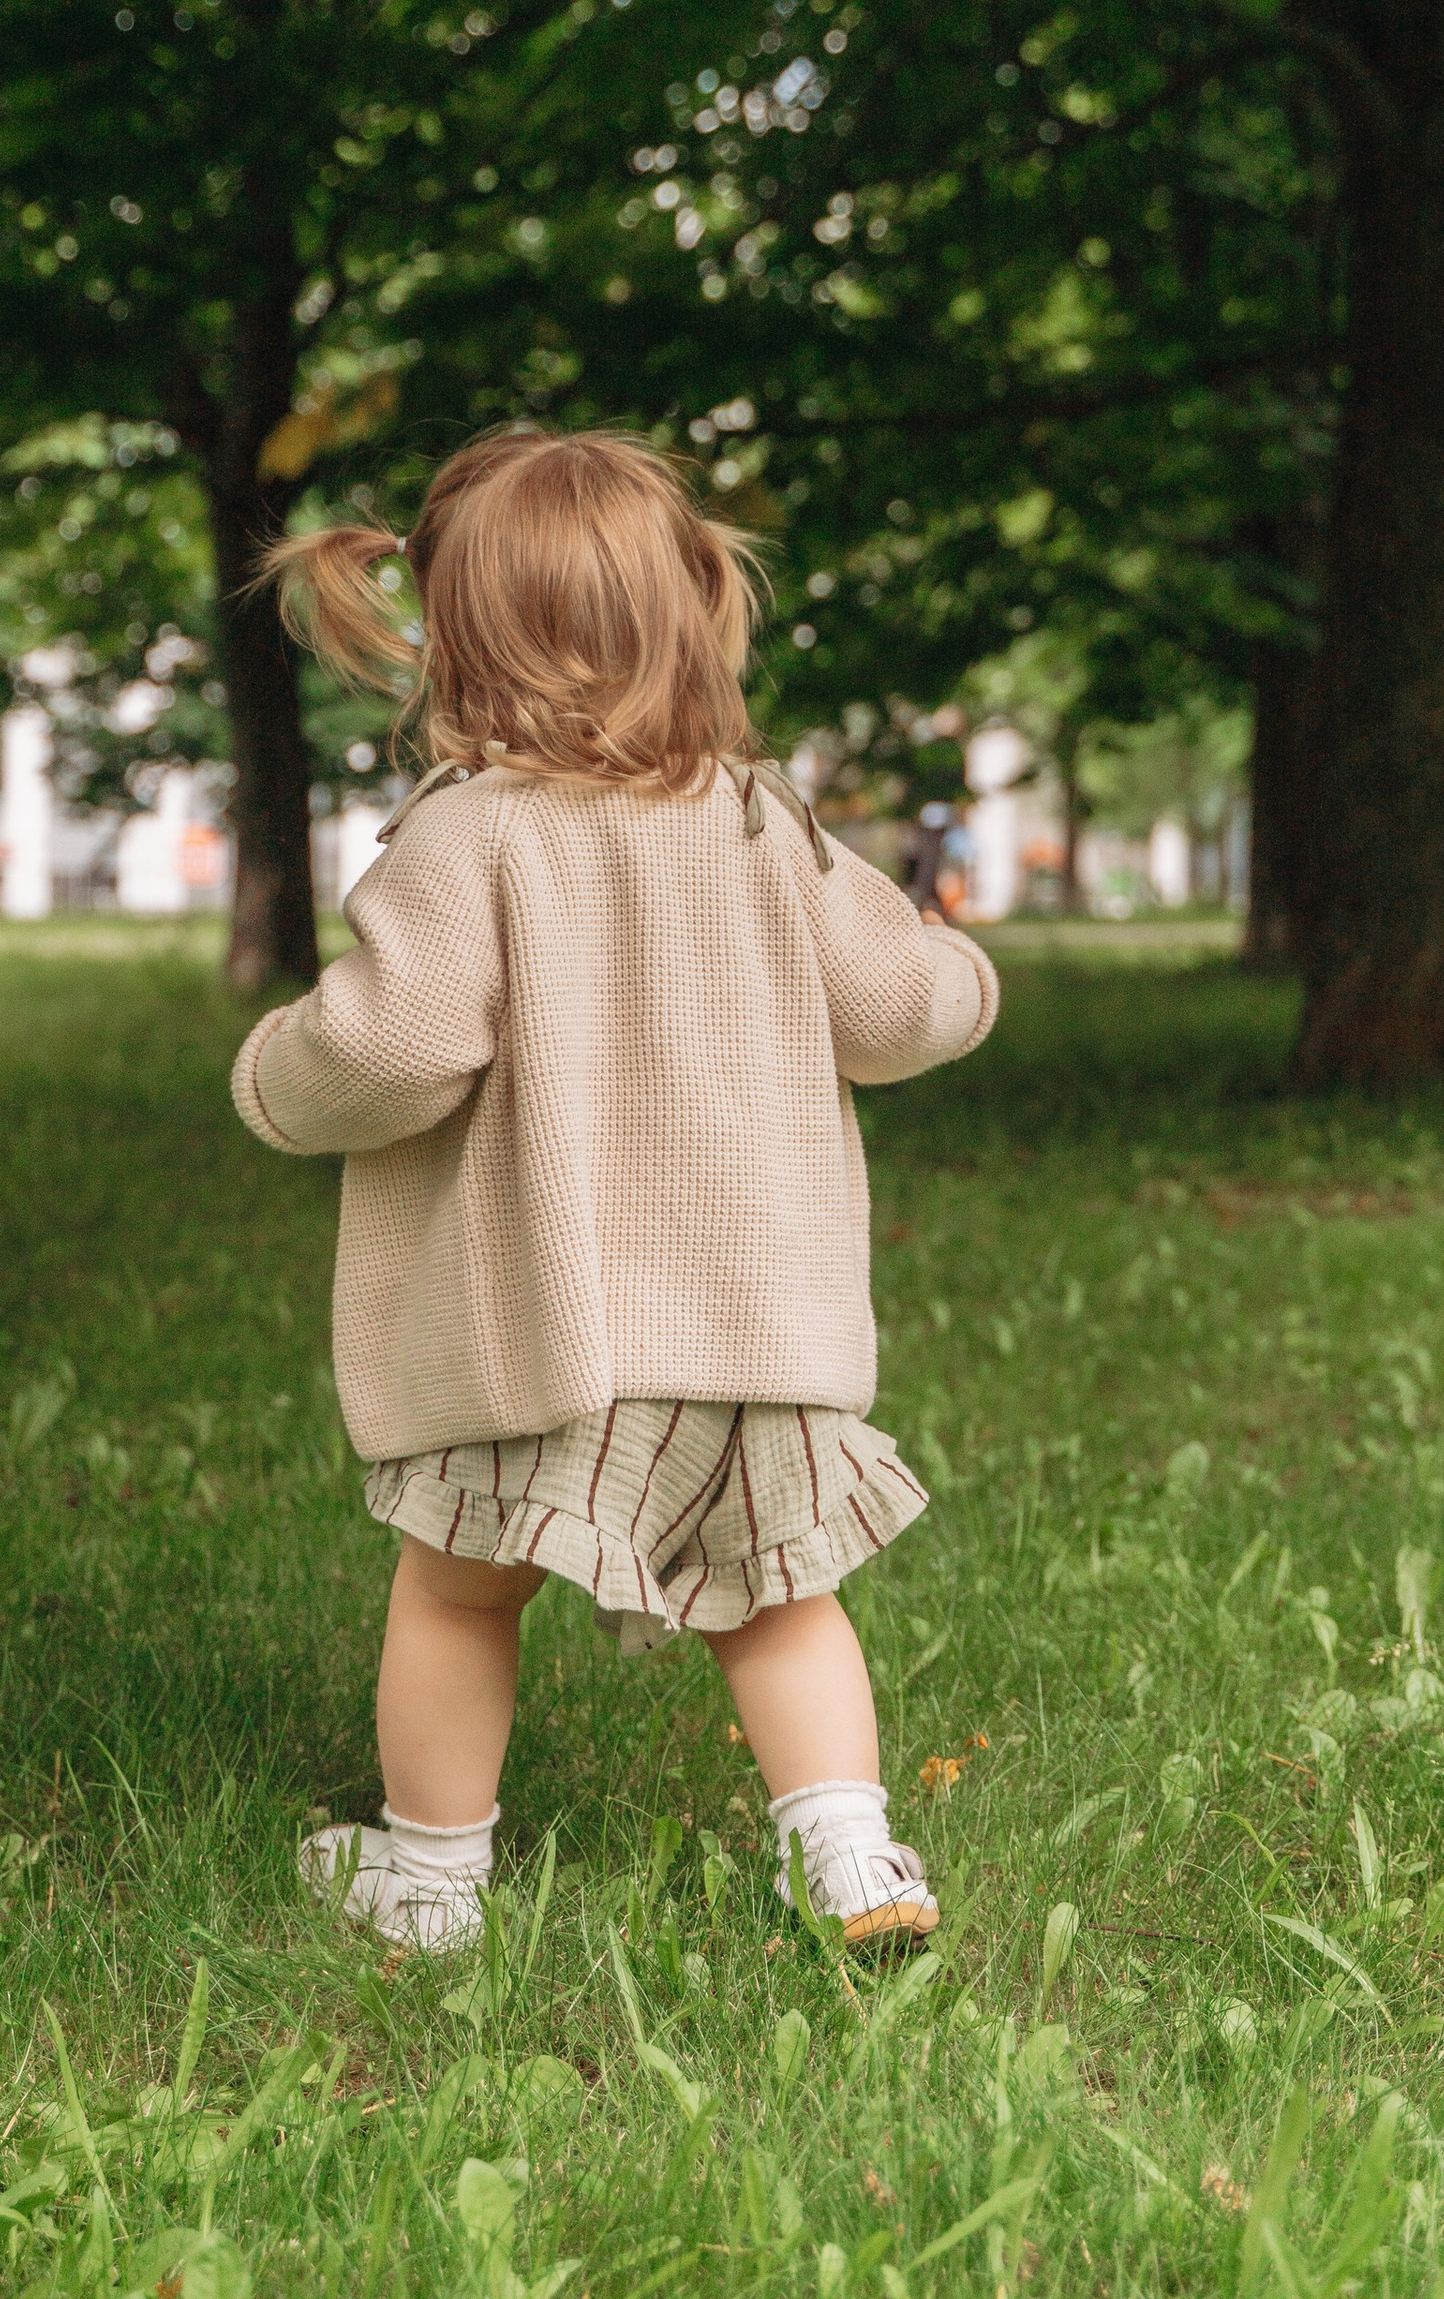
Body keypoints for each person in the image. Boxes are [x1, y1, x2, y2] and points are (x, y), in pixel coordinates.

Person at [232, 429, 999, 1959]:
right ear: (693, 614)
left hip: (547, 1338)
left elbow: (395, 1041)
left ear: (455, 636)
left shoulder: (473, 832)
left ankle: (430, 1878)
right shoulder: (759, 821)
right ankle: (852, 1857)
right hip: (755, 1341)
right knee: (779, 1602)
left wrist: (274, 1073)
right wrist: (963, 970)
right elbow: (902, 1003)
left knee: (458, 1600)